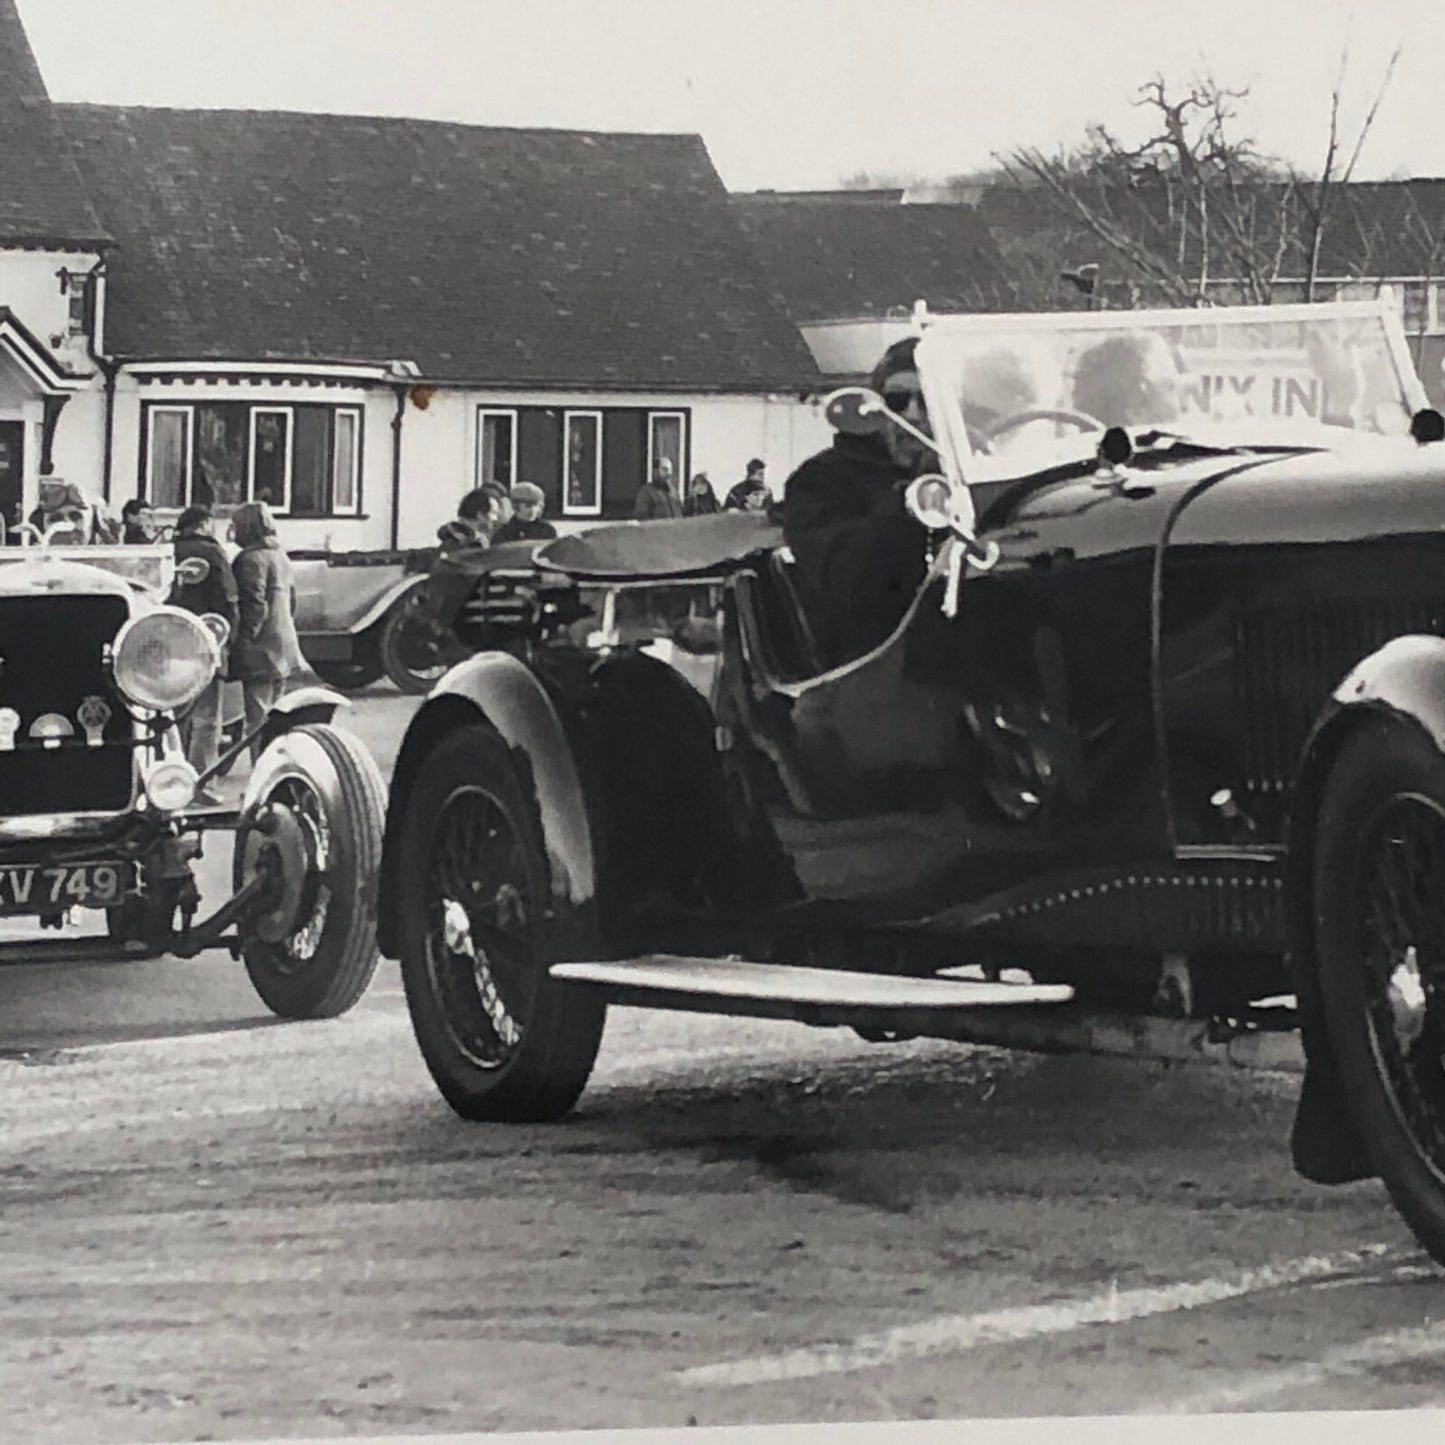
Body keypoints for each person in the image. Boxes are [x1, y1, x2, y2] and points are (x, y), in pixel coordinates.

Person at [781, 336, 935, 666]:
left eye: (932, 400)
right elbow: (849, 584)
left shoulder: (982, 477)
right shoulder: (822, 481)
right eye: (897, 401)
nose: (914, 414)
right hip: (868, 661)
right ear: (874, 411)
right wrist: (907, 503)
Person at [168, 503, 239, 803]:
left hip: (169, 643)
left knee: (173, 715)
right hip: (206, 642)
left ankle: (170, 777)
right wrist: (228, 640)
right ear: (204, 524)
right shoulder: (213, 553)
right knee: (208, 718)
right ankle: (201, 783)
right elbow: (228, 598)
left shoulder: (167, 551)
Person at [229, 500, 303, 763]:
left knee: (257, 719)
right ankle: (278, 766)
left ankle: (261, 772)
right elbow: (292, 600)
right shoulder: (281, 556)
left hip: (260, 647)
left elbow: (254, 605)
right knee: (277, 715)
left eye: (235, 526)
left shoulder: (248, 560)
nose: (233, 531)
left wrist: (243, 640)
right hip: (284, 641)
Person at [491, 481, 558, 544]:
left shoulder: (547, 531)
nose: (533, 510)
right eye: (528, 505)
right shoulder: (505, 533)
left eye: (537, 506)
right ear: (515, 506)